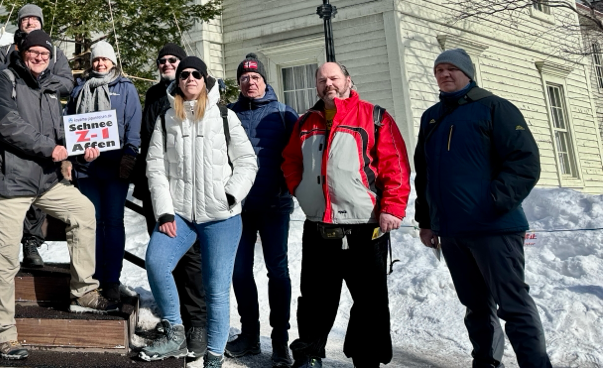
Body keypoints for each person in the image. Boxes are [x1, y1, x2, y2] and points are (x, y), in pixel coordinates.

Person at [0, 30, 118, 360]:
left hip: (43, 180)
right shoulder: (4, 80)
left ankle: (84, 289)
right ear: (21, 51)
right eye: (34, 52)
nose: (40, 57)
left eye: (45, 53)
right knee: (5, 261)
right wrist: (51, 148)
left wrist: (82, 148)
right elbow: (7, 124)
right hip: (9, 182)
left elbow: (60, 132)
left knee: (84, 211)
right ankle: (3, 332)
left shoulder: (49, 90)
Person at [415, 49, 550, 368]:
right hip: (451, 232)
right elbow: (425, 174)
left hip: (494, 229)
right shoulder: (432, 117)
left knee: (513, 305)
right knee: (476, 307)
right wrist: (426, 220)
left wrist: (492, 204)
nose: (445, 75)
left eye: (452, 69)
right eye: (439, 70)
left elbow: (524, 162)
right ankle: (486, 363)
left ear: (468, 72)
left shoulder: (495, 108)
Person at [281, 62, 410, 368]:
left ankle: (367, 359)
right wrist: (300, 190)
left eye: (334, 78)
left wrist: (392, 207)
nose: (329, 84)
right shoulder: (305, 122)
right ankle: (309, 355)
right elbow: (290, 160)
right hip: (319, 227)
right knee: (314, 299)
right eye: (322, 79)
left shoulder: (374, 117)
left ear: (348, 80)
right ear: (316, 86)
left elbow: (395, 165)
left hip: (365, 228)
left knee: (370, 301)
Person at [141, 57, 258, 368]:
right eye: (184, 75)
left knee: (216, 288)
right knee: (156, 261)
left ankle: (214, 358)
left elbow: (247, 162)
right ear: (178, 82)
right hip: (180, 213)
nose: (189, 78)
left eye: (196, 74)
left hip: (221, 217)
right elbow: (155, 169)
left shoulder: (223, 116)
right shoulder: (167, 119)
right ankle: (175, 331)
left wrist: (230, 194)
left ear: (205, 79)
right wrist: (164, 212)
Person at [0, 3, 74, 268]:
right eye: (26, 19)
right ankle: (2, 247)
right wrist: (21, 79)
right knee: (6, 196)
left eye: (35, 19)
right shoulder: (5, 52)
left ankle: (31, 242)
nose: (30, 22)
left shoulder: (54, 53)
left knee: (39, 191)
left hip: (45, 131)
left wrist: (41, 82)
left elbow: (67, 83)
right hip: (10, 134)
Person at [133, 43, 209, 358]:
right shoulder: (152, 96)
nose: (166, 64)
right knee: (162, 258)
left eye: (172, 60)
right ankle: (171, 323)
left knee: (191, 260)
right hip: (155, 192)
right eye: (162, 60)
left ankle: (196, 325)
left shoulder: (194, 98)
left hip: (186, 194)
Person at [225, 54, 299, 366]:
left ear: (264, 80)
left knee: (277, 271)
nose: (250, 82)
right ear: (239, 83)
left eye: (255, 77)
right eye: (244, 78)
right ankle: (249, 335)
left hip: (274, 206)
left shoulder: (284, 114)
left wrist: (289, 187)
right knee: (240, 271)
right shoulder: (227, 114)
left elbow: (298, 157)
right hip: (238, 208)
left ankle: (280, 341)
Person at [68, 41, 142, 301]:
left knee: (112, 222)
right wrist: (76, 152)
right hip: (87, 168)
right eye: (96, 60)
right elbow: (72, 125)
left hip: (114, 168)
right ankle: (93, 277)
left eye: (105, 60)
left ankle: (112, 278)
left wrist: (130, 155)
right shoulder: (80, 89)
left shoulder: (126, 88)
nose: (100, 64)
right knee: (91, 224)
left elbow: (134, 125)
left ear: (113, 62)